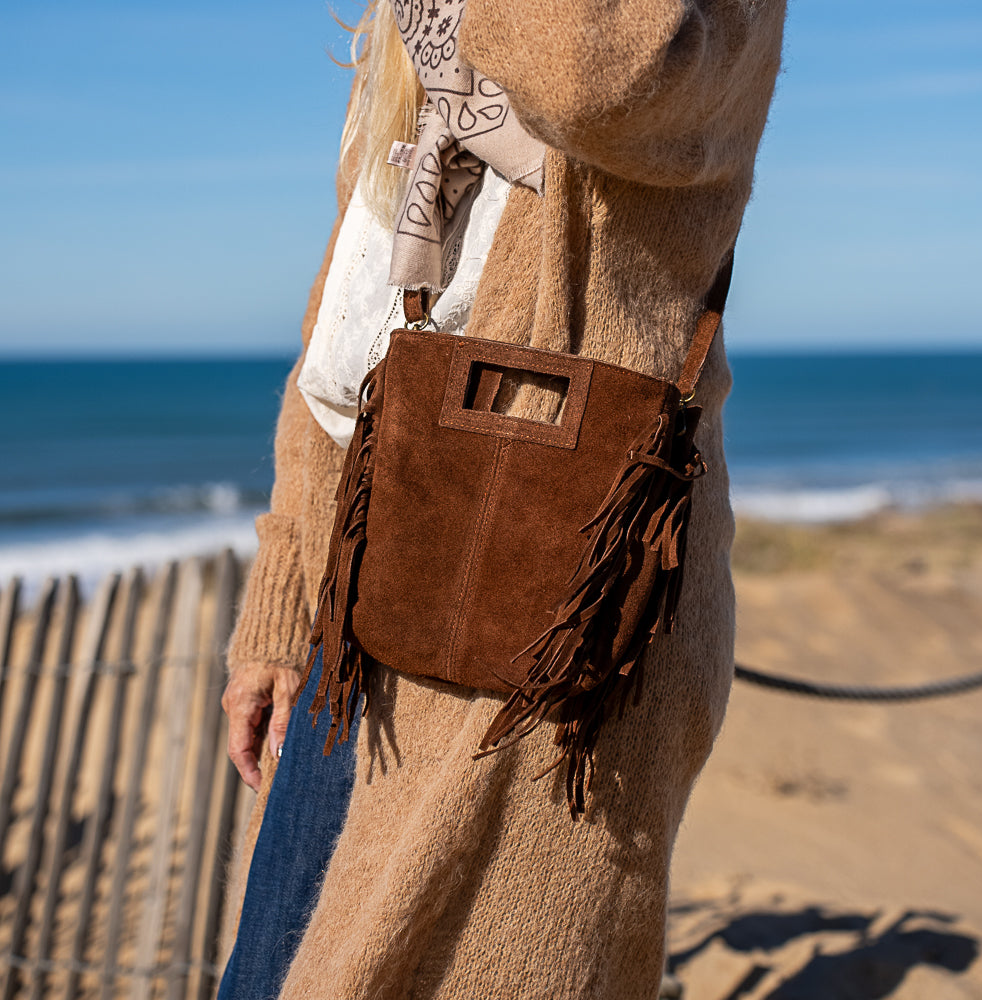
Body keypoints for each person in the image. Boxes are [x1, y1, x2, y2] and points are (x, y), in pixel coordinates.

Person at [220, 1, 786, 997]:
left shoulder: (709, 21)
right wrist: (278, 611)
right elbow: (347, 349)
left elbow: (593, 76)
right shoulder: (423, 35)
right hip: (358, 609)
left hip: (555, 619)